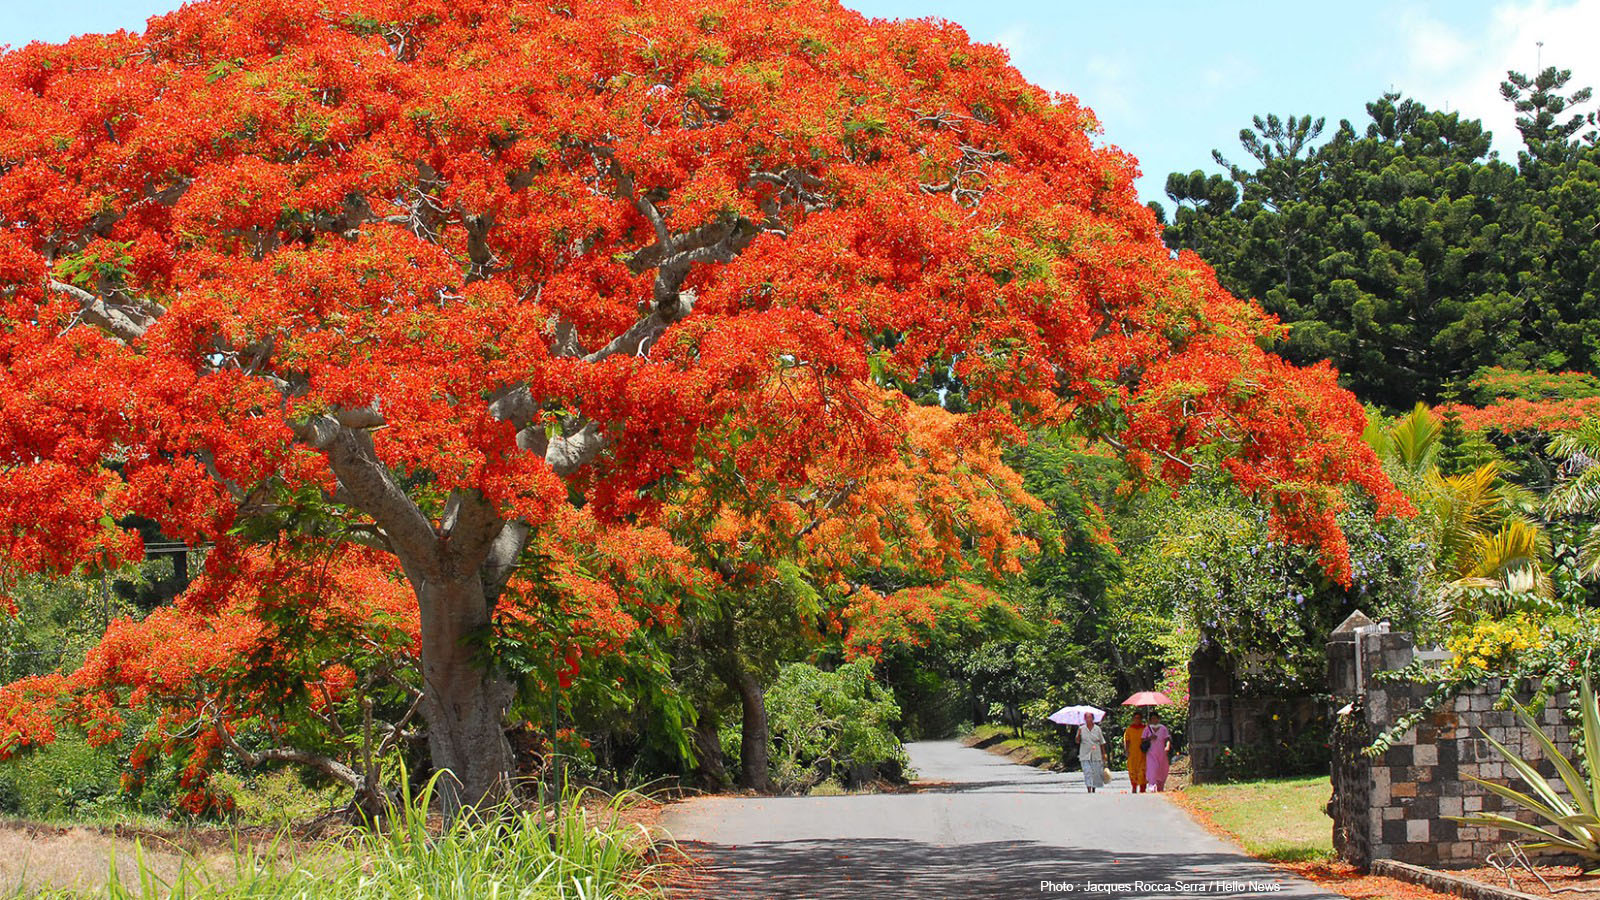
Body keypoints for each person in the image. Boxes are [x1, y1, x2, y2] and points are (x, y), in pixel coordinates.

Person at [1143, 710, 1172, 792]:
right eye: (1152, 719)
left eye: (1155, 718)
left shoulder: (1163, 728)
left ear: (1158, 719)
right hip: (1151, 753)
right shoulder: (1147, 729)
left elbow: (1167, 739)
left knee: (1162, 769)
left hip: (1161, 752)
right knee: (1152, 768)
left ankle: (1160, 785)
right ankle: (1152, 785)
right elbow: (1142, 740)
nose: (1154, 720)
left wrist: (1167, 747)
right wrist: (1149, 738)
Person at [1077, 712, 1106, 793]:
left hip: (1096, 753)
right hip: (1085, 753)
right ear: (1084, 719)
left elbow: (1102, 742)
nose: (1088, 719)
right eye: (1087, 718)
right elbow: (1077, 741)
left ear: (1093, 719)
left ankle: (1093, 788)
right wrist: (1078, 735)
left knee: (1095, 772)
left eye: (1090, 717)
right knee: (1087, 771)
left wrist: (1104, 754)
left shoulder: (1097, 729)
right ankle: (1089, 788)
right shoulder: (1081, 729)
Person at [1123, 711, 1147, 793]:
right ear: (1133, 719)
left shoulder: (1145, 728)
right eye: (1135, 718)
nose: (1137, 720)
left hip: (1143, 753)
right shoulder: (1129, 729)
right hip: (1132, 753)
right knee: (1132, 771)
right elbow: (1127, 741)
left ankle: (1142, 788)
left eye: (1139, 718)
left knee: (1143, 771)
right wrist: (1126, 750)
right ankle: (1134, 787)